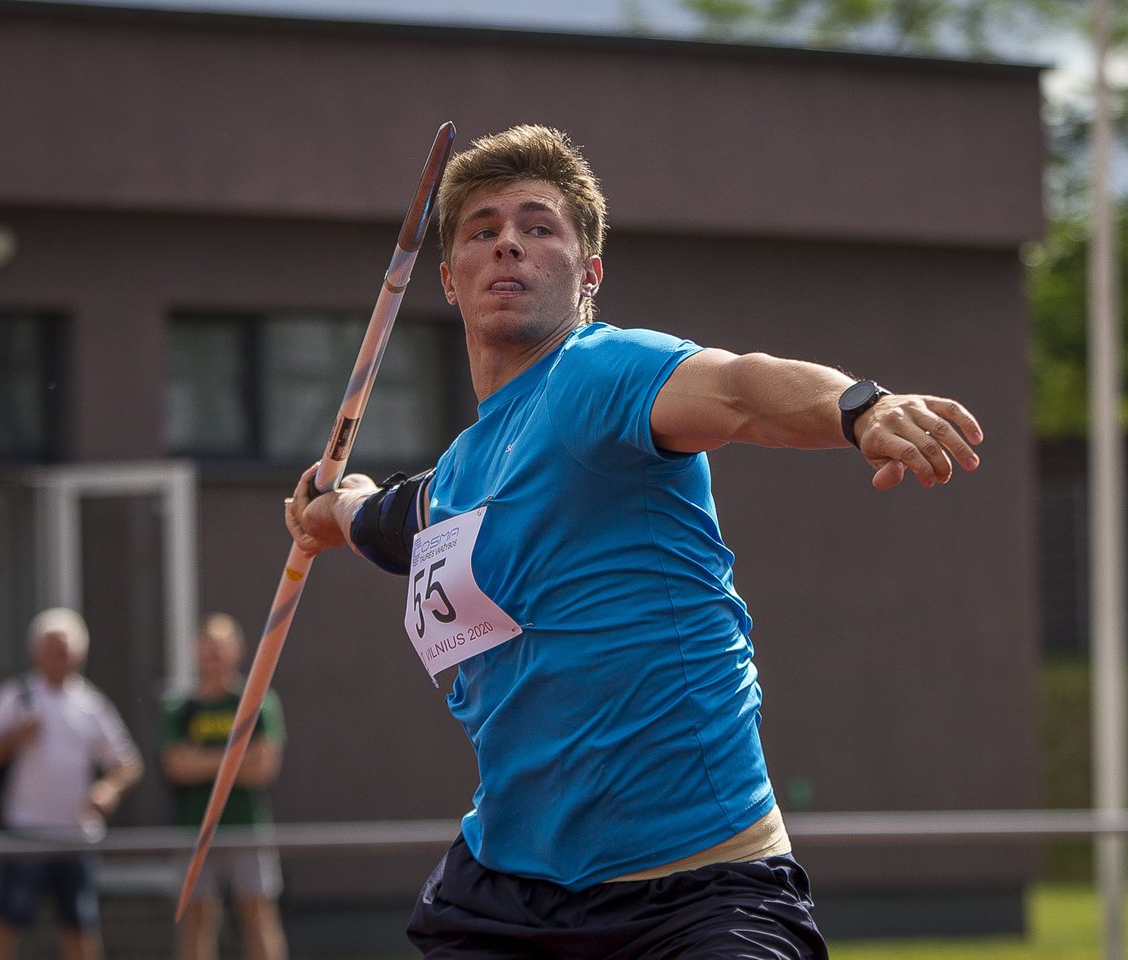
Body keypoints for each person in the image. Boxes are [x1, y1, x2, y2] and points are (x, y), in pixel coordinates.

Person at [283, 124, 983, 960]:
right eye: (483, 230)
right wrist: (329, 510)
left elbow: (740, 390)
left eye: (538, 226)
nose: (508, 242)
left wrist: (861, 409)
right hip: (508, 898)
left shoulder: (598, 374)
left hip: (694, 899)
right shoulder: (460, 475)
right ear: (449, 279)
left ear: (589, 274)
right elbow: (389, 521)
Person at [0, 606, 144, 960]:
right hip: (25, 833)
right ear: (37, 653)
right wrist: (13, 740)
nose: (62, 658)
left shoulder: (91, 704)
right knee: (6, 922)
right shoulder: (16, 697)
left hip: (75, 837)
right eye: (53, 649)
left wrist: (109, 788)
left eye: (67, 650)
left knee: (79, 927)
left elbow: (128, 763)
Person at [160, 612, 288, 960]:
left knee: (257, 913)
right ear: (196, 650)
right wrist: (236, 758)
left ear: (239, 651)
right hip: (194, 827)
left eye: (222, 645)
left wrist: (200, 759)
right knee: (197, 918)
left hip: (246, 826)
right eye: (208, 645)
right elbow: (176, 767)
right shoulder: (179, 706)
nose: (214, 653)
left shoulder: (258, 701)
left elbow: (262, 769)